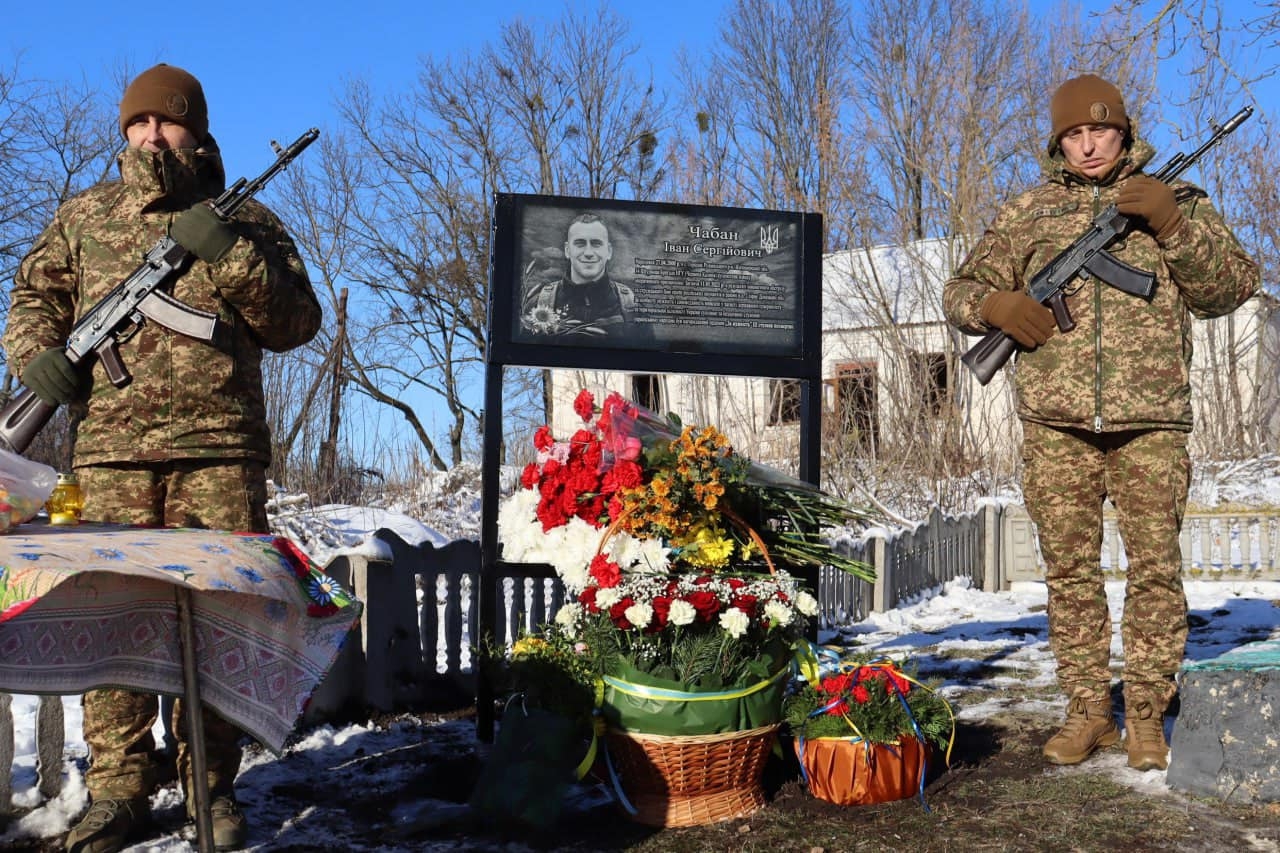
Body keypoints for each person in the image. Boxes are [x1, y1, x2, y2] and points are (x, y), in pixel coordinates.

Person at [3, 63, 321, 851]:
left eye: (168, 122)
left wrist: (231, 253)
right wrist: (37, 356)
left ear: (197, 130)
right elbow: (31, 298)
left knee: (215, 625)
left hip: (220, 453)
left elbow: (297, 322)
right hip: (110, 454)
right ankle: (117, 789)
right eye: (139, 124)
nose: (152, 136)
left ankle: (211, 788)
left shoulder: (248, 221)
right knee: (119, 622)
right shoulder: (84, 216)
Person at [943, 75, 1258, 771]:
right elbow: (958, 289)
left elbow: (1231, 287)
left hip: (1152, 423)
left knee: (1155, 571)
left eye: (1101, 130)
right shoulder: (1028, 212)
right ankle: (1088, 710)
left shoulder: (1177, 202)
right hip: (1056, 424)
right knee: (1070, 574)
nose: (1088, 144)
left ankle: (1145, 714)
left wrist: (1171, 226)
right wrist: (997, 308)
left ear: (1125, 132)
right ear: (1058, 141)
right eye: (1074, 134)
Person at [521, 213, 642, 336]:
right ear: (567, 250)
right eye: (580, 243)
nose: (588, 252)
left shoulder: (633, 308)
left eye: (596, 243)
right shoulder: (537, 305)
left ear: (609, 251)